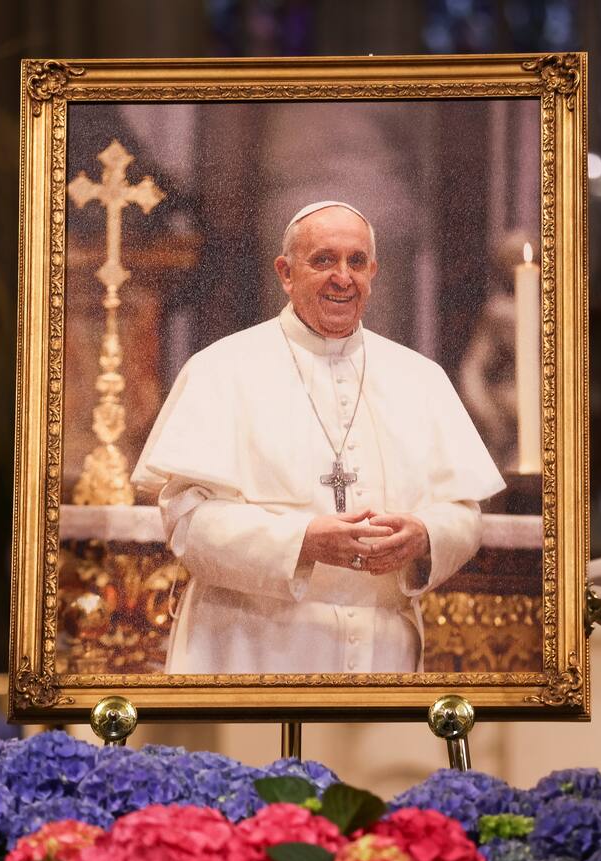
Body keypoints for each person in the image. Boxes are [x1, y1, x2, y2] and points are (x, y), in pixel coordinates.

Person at [131, 201, 504, 674]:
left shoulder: (420, 378)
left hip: (381, 652)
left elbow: (463, 513)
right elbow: (188, 524)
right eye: (323, 260)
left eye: (356, 262)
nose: (342, 277)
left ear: (373, 271)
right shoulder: (221, 369)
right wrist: (302, 540)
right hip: (246, 647)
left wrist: (426, 536)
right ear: (286, 273)